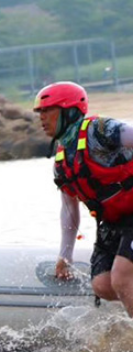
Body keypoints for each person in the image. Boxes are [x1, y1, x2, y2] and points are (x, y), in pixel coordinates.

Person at [34, 81, 133, 316]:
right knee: (103, 285)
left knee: (121, 277)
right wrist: (65, 254)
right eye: (40, 112)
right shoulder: (62, 160)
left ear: (69, 111)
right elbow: (69, 209)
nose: (41, 117)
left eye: (47, 110)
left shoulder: (101, 131)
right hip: (114, 223)